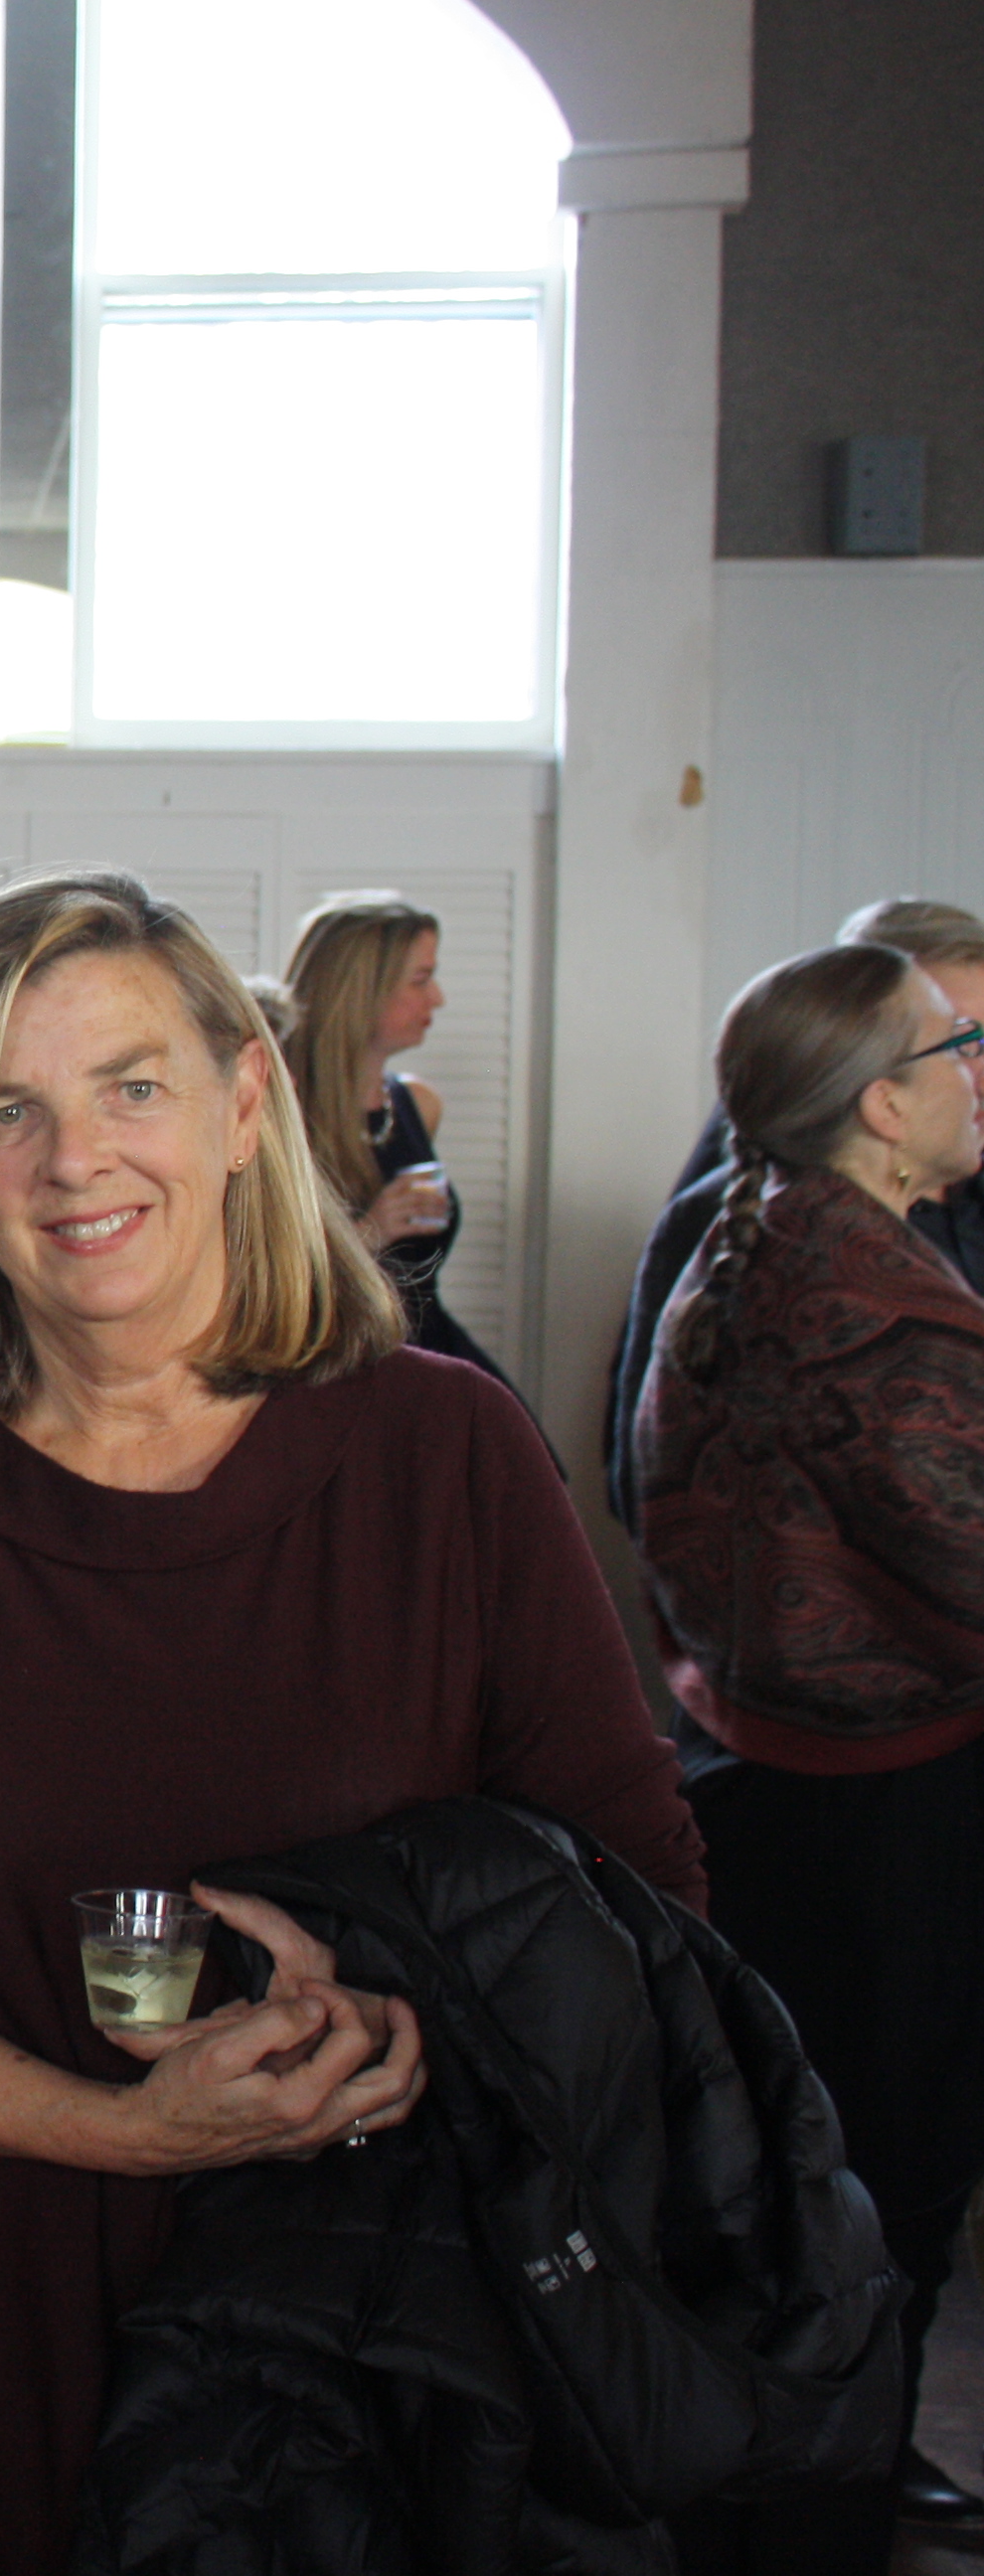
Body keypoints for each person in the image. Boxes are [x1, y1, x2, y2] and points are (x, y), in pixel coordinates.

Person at [0, 868, 705, 2576]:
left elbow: (639, 1899)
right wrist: (108, 2129)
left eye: (126, 1086)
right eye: (4, 1109)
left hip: (371, 2328)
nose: (71, 1159)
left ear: (243, 1104)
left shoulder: (441, 1457)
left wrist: (407, 2038)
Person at [634, 938, 984, 2572]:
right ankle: (821, 2513)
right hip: (875, 1822)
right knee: (870, 2202)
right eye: (953, 1041)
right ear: (876, 1104)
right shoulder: (881, 1319)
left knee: (777, 2190)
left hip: (748, 1784)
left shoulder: (747, 1242)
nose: (975, 1067)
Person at [605, 896, 984, 1530]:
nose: (977, 1076)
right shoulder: (744, 1221)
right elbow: (646, 1480)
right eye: (960, 1040)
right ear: (872, 1079)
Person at [279, 890, 512, 1390]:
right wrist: (371, 1230)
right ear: (363, 990)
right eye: (421, 980)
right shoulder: (278, 1115)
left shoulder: (418, 1106)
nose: (439, 999)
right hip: (328, 1370)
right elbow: (264, 1278)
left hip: (424, 1352)